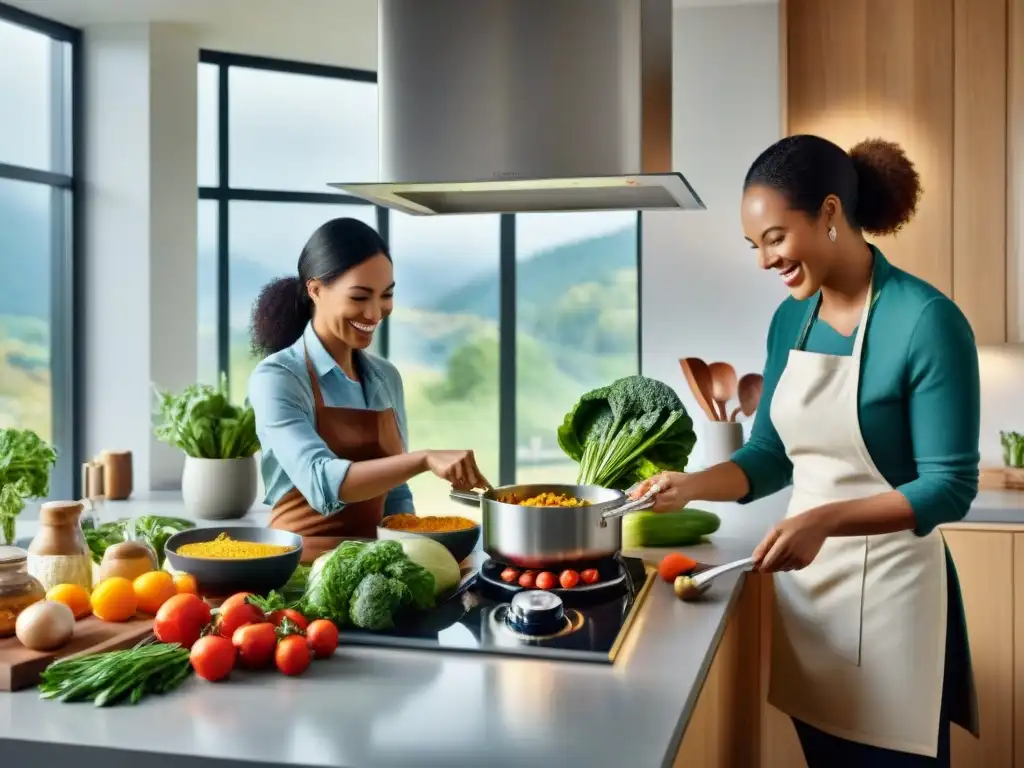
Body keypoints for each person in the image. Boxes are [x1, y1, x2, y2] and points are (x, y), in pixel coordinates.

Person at [632, 135, 979, 766]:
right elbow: (769, 454)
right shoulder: (792, 319)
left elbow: (949, 486)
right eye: (754, 246)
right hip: (811, 596)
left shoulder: (926, 320)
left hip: (896, 606)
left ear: (828, 214)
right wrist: (688, 484)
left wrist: (822, 520)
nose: (765, 261)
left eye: (775, 238)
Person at [248, 217, 490, 563]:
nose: (375, 312)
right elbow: (321, 482)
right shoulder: (278, 377)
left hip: (376, 568)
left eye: (386, 295)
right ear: (315, 290)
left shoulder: (385, 377)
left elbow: (395, 495)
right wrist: (422, 458)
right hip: (298, 571)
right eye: (360, 296)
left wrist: (417, 553)